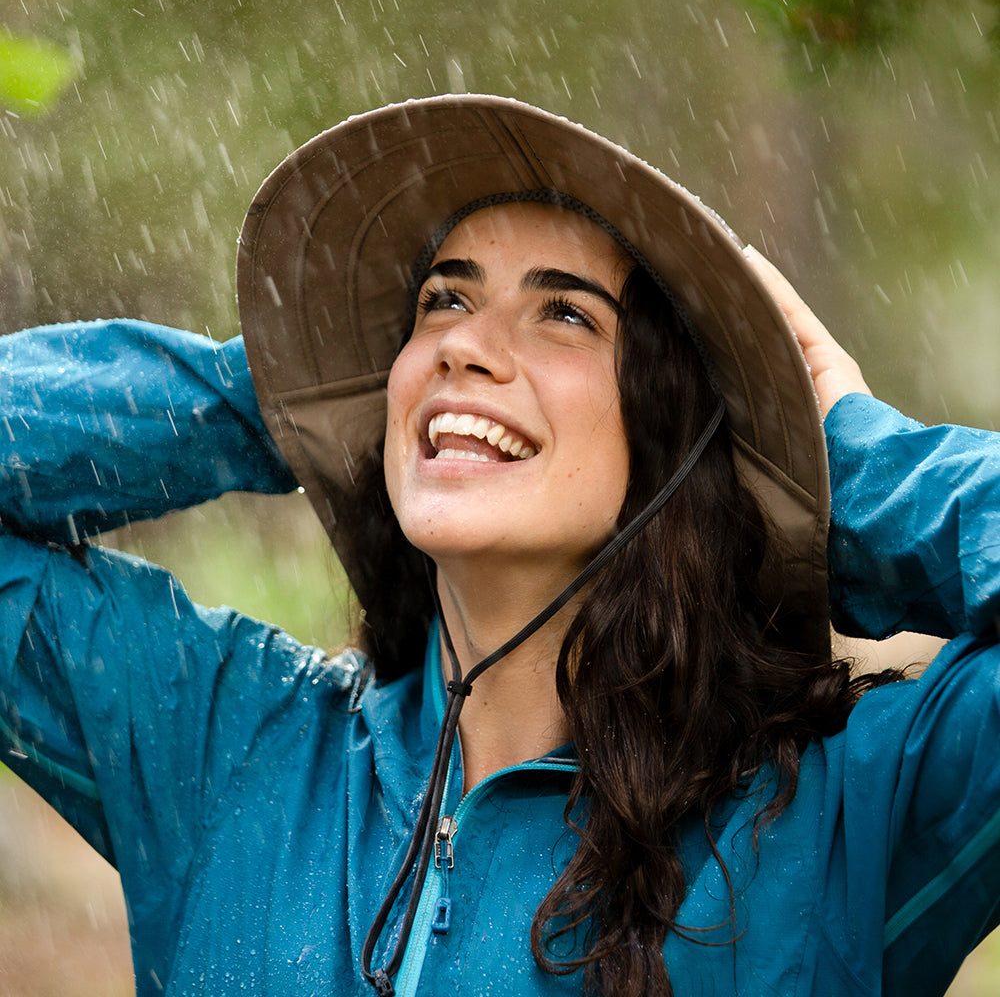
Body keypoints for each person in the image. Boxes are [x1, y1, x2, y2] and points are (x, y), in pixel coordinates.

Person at [1, 94, 998, 997]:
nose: (463, 345)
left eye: (563, 311)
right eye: (443, 299)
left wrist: (852, 460)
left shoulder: (835, 822)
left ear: (669, 433)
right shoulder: (224, 739)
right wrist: (286, 399)